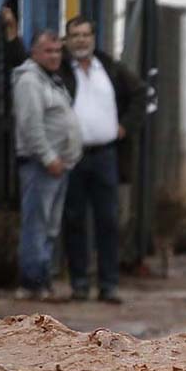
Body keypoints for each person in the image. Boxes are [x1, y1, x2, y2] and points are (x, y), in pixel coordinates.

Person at [59, 16, 145, 304]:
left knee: (108, 220)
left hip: (106, 155)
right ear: (67, 40)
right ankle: (79, 283)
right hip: (73, 156)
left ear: (94, 38)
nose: (81, 40)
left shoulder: (109, 68)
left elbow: (140, 94)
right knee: (74, 220)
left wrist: (126, 126)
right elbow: (26, 63)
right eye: (75, 35)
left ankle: (108, 285)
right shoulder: (59, 69)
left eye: (85, 34)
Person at [12, 30, 83, 300]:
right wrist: (48, 157)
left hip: (58, 165)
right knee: (37, 224)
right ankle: (31, 282)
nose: (54, 56)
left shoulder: (50, 79)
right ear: (34, 53)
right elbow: (30, 125)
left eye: (57, 51)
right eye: (48, 51)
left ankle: (42, 279)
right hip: (41, 164)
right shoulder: (30, 80)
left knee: (49, 226)